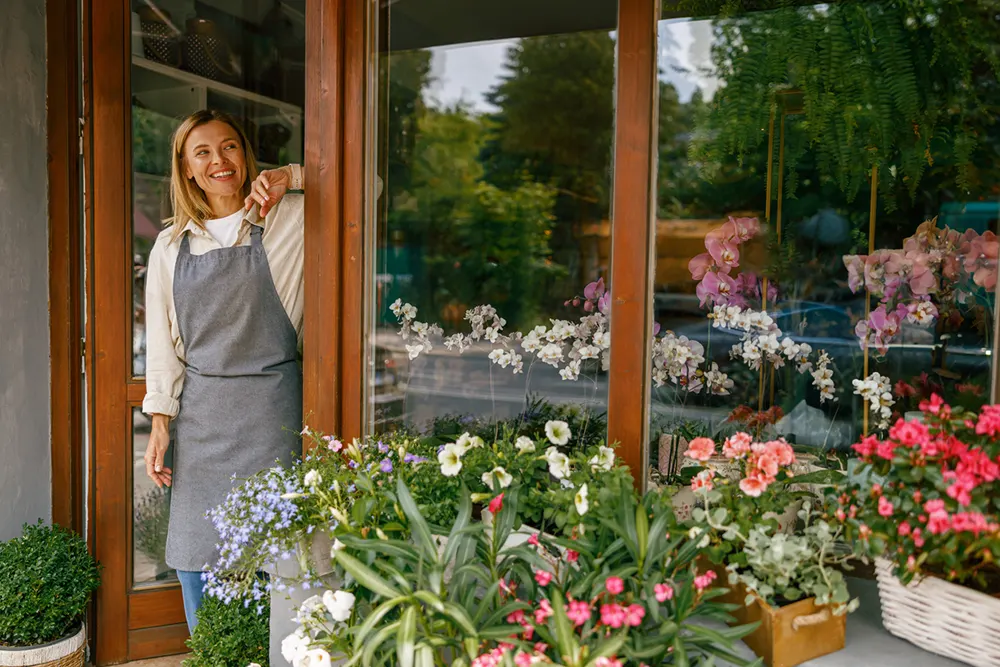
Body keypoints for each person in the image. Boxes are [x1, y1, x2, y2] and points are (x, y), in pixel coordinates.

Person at [142, 109, 305, 632]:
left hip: (273, 414)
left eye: (229, 146)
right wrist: (160, 425)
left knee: (276, 554)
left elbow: (365, 182)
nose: (219, 160)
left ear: (245, 155)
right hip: (203, 419)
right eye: (203, 152)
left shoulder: (288, 217)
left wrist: (291, 177)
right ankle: (213, 652)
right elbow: (163, 345)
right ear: (187, 168)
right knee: (196, 551)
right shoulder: (170, 245)